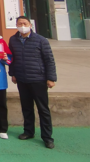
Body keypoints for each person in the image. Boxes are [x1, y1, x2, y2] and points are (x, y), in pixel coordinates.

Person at [9, 16, 57, 149]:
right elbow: (12, 58)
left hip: (38, 79)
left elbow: (49, 59)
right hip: (22, 79)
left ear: (30, 25)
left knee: (43, 109)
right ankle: (28, 131)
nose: (22, 26)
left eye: (25, 23)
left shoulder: (41, 40)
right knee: (26, 107)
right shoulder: (13, 40)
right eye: (19, 24)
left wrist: (51, 78)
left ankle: (47, 137)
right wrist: (13, 74)